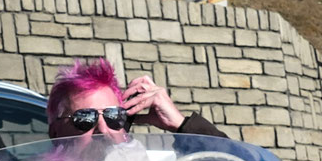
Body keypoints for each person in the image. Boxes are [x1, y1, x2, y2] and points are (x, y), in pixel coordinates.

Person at [46, 58, 227, 141]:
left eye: (113, 117)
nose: (103, 130)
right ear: (55, 132)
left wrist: (181, 124)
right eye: (85, 118)